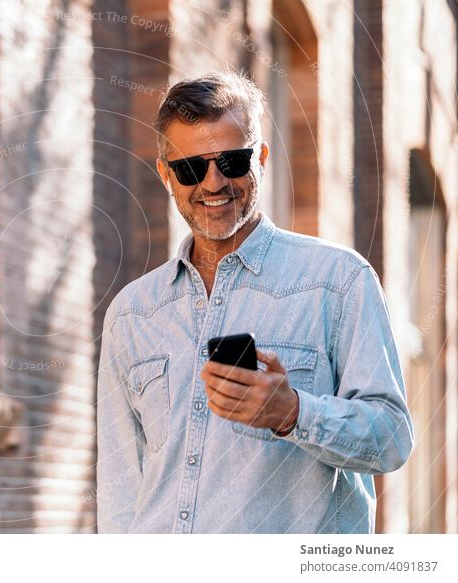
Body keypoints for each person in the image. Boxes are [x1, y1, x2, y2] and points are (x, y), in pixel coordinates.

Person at [95, 70, 414, 533]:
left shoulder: (339, 281)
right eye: (189, 168)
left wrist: (294, 413)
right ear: (165, 175)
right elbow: (121, 490)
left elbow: (391, 439)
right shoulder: (131, 313)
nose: (213, 183)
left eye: (231, 161)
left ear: (260, 157)